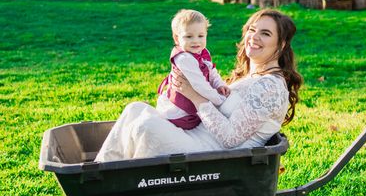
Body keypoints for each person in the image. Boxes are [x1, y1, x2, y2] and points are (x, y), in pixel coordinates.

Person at [95, 9, 302, 162]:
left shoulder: (269, 87)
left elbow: (230, 139)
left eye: (265, 34)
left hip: (211, 153)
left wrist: (195, 96)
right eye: (252, 29)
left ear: (281, 44)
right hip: (196, 136)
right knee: (135, 109)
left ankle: (120, 186)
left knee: (145, 127)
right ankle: (100, 173)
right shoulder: (252, 76)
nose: (254, 37)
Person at [157, 9, 230, 130]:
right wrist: (220, 100)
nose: (196, 41)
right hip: (181, 113)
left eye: (201, 36)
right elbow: (200, 85)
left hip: (195, 101)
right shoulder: (184, 58)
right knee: (219, 113)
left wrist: (219, 85)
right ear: (177, 38)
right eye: (189, 36)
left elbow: (211, 71)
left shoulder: (201, 51)